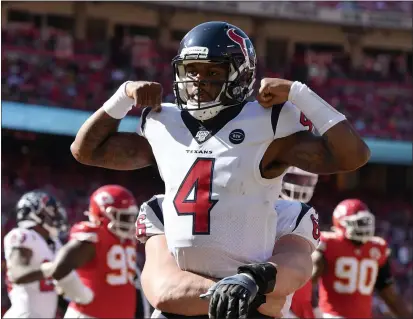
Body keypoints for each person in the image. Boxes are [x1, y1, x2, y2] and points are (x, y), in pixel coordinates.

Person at [71, 20, 369, 314]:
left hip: (245, 297)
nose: (199, 81)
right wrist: (121, 97)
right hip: (198, 304)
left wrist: (299, 93)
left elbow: (352, 156)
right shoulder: (164, 122)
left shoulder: (269, 123)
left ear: (241, 76)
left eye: (213, 72)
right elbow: (85, 151)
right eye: (192, 71)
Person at [136, 194, 320, 318]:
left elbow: (296, 269)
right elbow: (165, 291)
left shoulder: (289, 213)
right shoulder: (164, 206)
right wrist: (249, 289)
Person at [12, 185, 139, 319]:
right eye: (123, 217)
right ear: (101, 213)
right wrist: (79, 293)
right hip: (87, 314)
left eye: (130, 217)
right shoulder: (92, 236)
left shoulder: (125, 240)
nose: (129, 223)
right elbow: (60, 268)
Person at [312, 199, 412, 318]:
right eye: (359, 223)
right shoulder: (328, 244)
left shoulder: (377, 248)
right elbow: (307, 283)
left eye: (365, 222)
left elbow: (388, 292)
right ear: (341, 223)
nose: (363, 228)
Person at [3, 191, 67, 318]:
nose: (55, 215)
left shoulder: (54, 243)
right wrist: (51, 269)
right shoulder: (23, 235)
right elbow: (17, 274)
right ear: (35, 214)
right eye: (50, 210)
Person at [279, 167, 319, 319]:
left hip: (300, 302)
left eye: (305, 180)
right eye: (294, 179)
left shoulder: (307, 213)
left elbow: (307, 278)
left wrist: (315, 308)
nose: (301, 184)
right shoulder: (268, 209)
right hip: (277, 301)